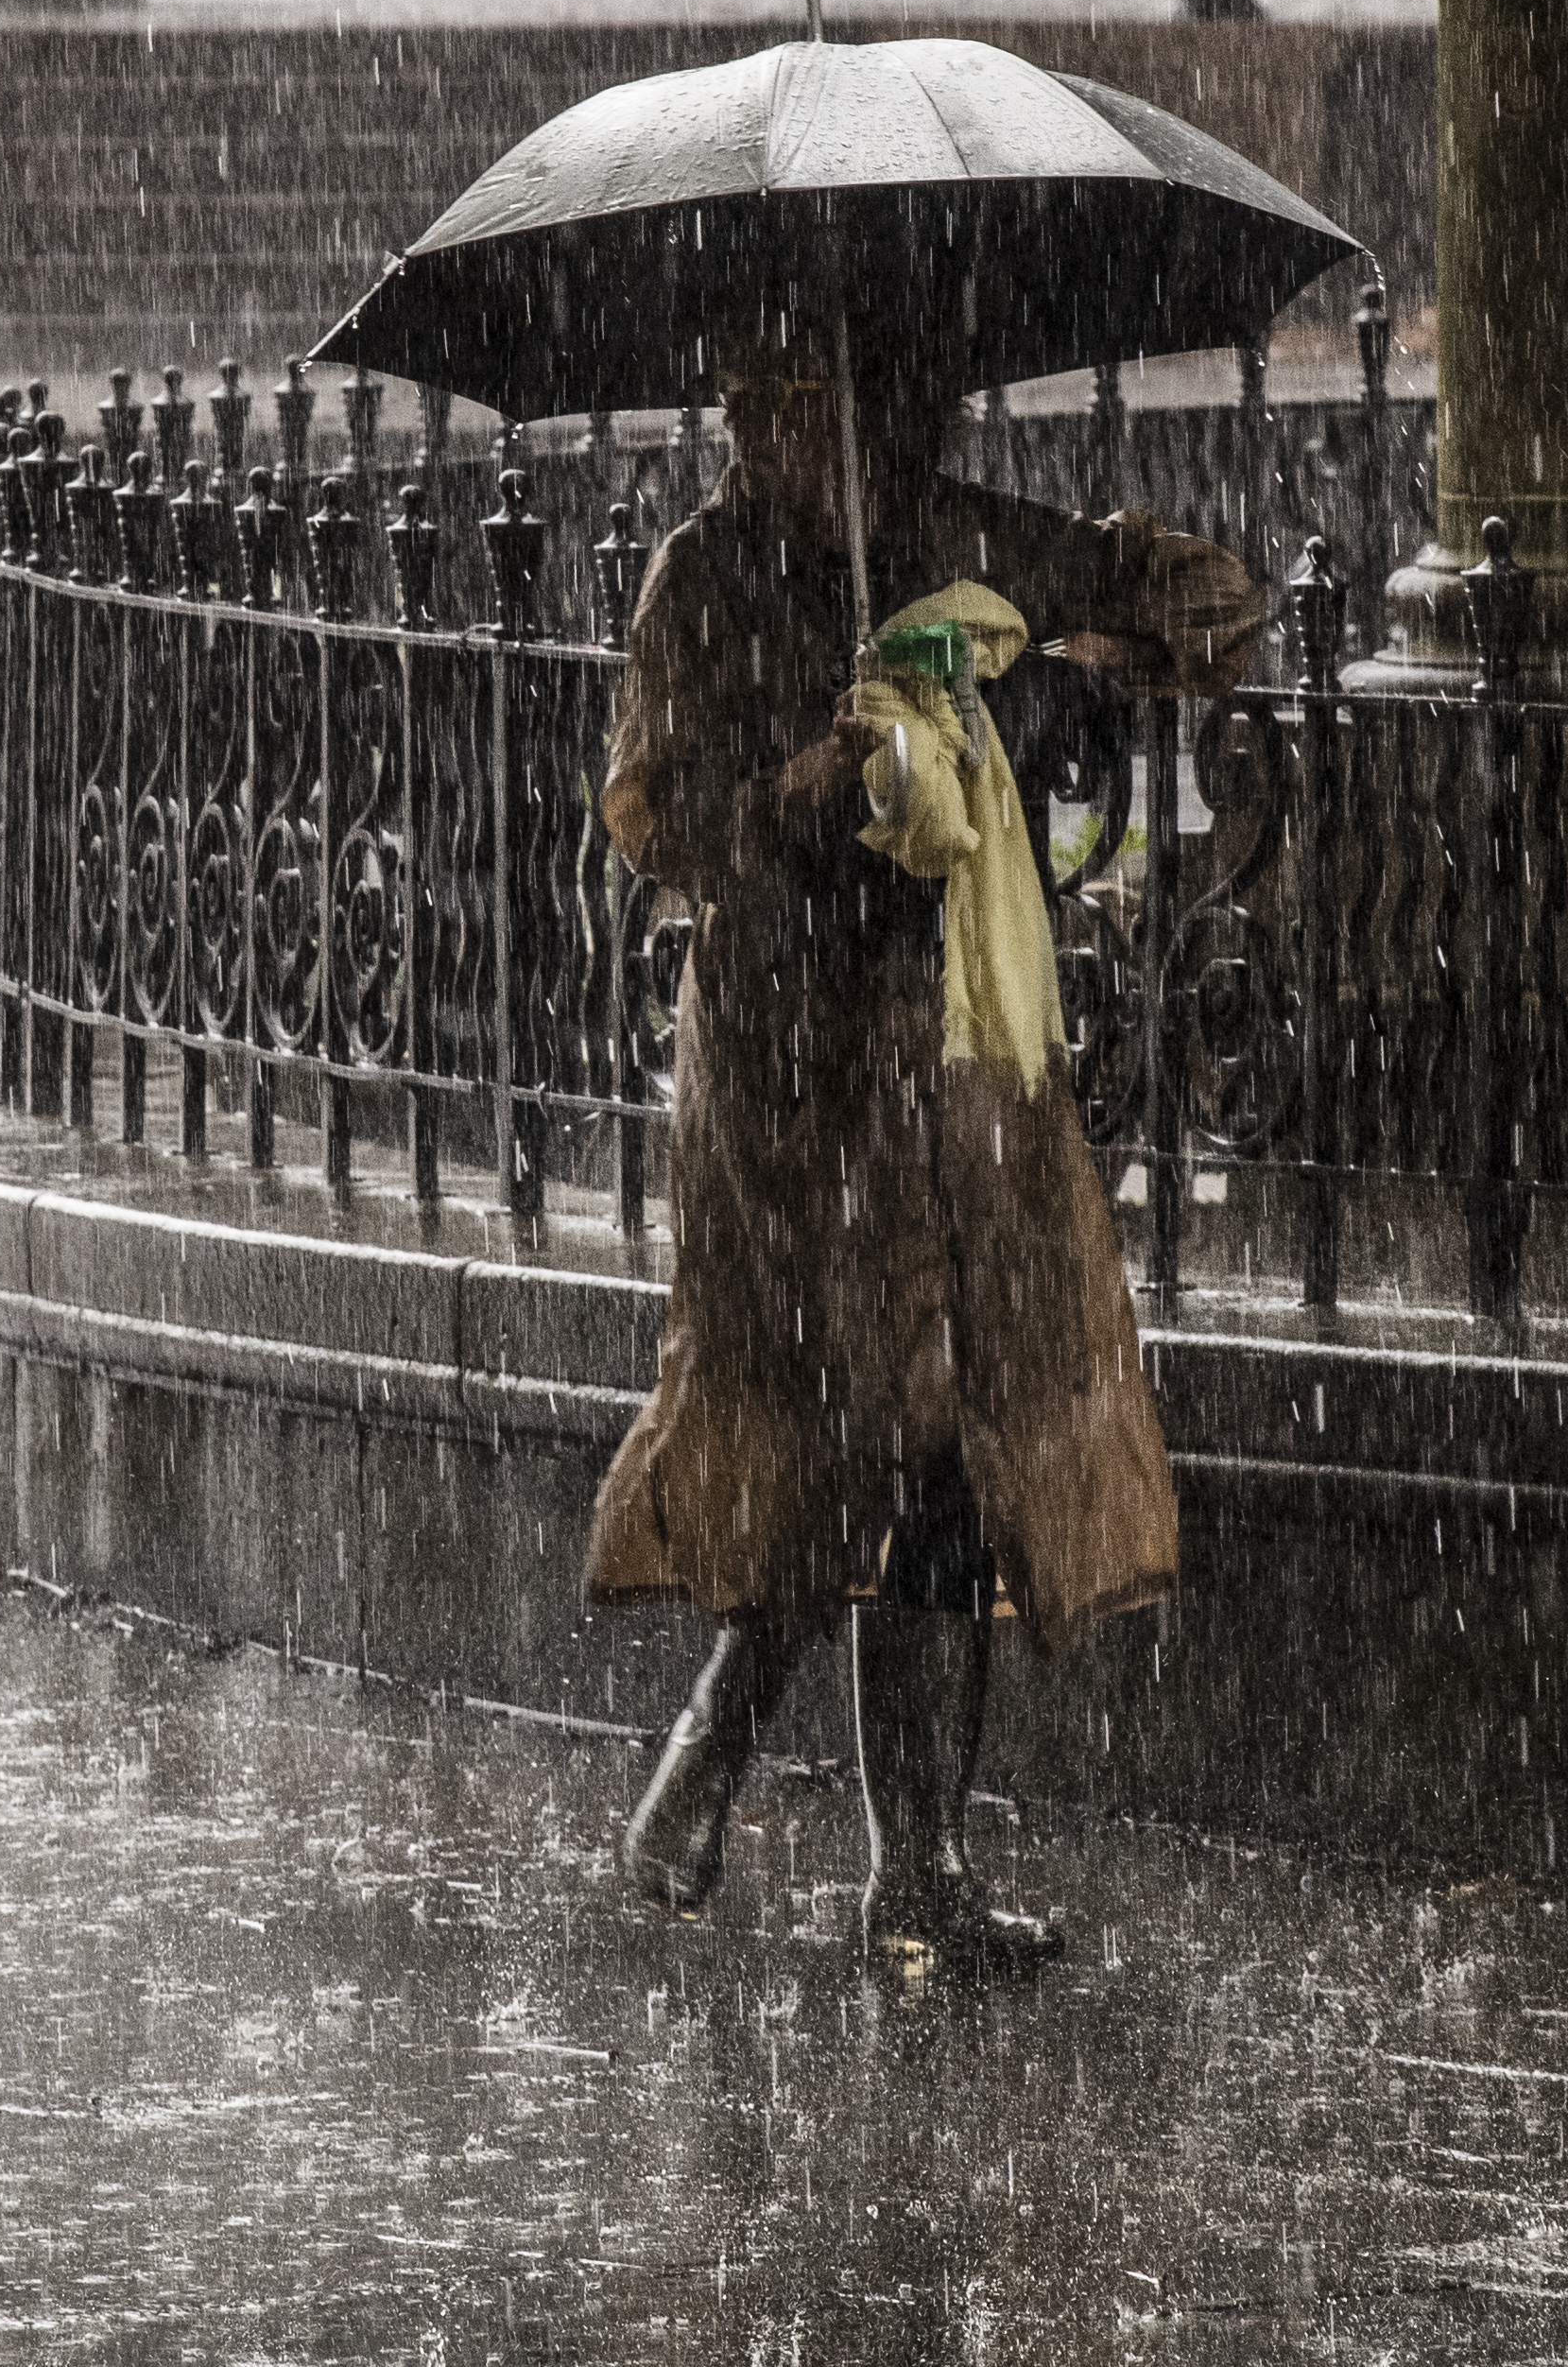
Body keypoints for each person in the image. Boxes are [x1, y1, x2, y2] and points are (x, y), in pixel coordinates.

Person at [585, 301, 1259, 1970]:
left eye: (808, 404)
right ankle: (708, 1753)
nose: (772, 438)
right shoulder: (705, 574)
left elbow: (1207, 595)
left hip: (953, 1049)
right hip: (788, 1066)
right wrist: (823, 774)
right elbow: (664, 821)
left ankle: (923, 1870)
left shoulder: (953, 541)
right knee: (840, 1434)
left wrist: (1085, 661)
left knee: (953, 1438)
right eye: (754, 404)